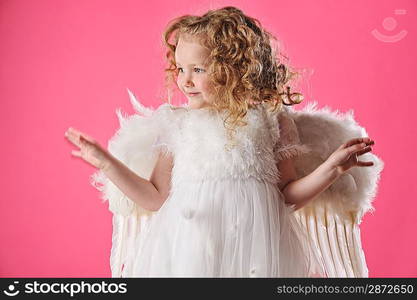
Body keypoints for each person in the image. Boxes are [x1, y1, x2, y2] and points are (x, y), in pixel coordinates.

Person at [64, 6, 383, 277]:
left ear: (234, 71)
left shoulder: (271, 120)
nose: (184, 80)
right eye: (180, 68)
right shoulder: (178, 122)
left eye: (198, 69)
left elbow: (289, 196)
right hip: (189, 252)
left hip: (258, 254)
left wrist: (331, 169)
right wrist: (106, 161)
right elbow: (155, 197)